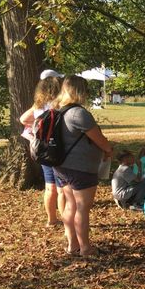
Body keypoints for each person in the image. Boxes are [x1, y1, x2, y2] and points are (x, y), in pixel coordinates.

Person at [52, 75, 112, 257]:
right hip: (80, 168)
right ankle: (86, 248)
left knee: (71, 206)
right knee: (82, 208)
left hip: (61, 166)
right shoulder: (78, 113)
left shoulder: (58, 110)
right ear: (80, 91)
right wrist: (109, 149)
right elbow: (100, 140)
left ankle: (73, 245)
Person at [19, 74, 64, 227]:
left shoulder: (39, 106)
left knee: (49, 187)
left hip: (43, 150)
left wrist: (38, 125)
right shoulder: (60, 105)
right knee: (62, 189)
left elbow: (23, 119)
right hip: (58, 150)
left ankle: (51, 220)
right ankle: (67, 222)